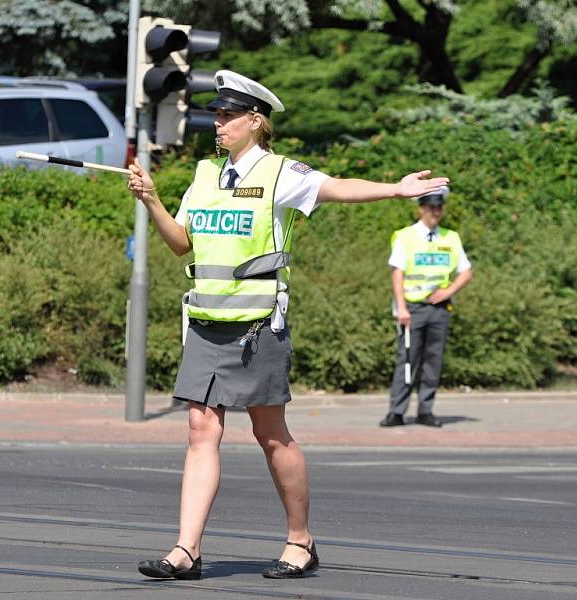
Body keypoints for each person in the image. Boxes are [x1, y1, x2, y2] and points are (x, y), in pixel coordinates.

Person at [127, 70, 449, 580]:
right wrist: (151, 200)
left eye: (229, 115)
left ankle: (300, 540)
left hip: (258, 326)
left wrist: (395, 190)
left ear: (256, 121)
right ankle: (186, 550)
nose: (219, 123)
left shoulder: (281, 173)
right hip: (206, 321)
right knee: (199, 428)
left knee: (270, 433)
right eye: (216, 114)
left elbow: (337, 188)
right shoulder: (204, 174)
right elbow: (180, 243)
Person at [380, 187, 473, 428]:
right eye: (432, 207)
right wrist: (401, 308)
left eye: (439, 207)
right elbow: (397, 274)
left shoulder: (450, 237)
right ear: (421, 208)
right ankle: (397, 411)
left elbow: (466, 271)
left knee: (433, 360)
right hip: (413, 307)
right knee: (408, 360)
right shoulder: (405, 236)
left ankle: (425, 410)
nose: (436, 212)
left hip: (439, 308)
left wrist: (449, 291)